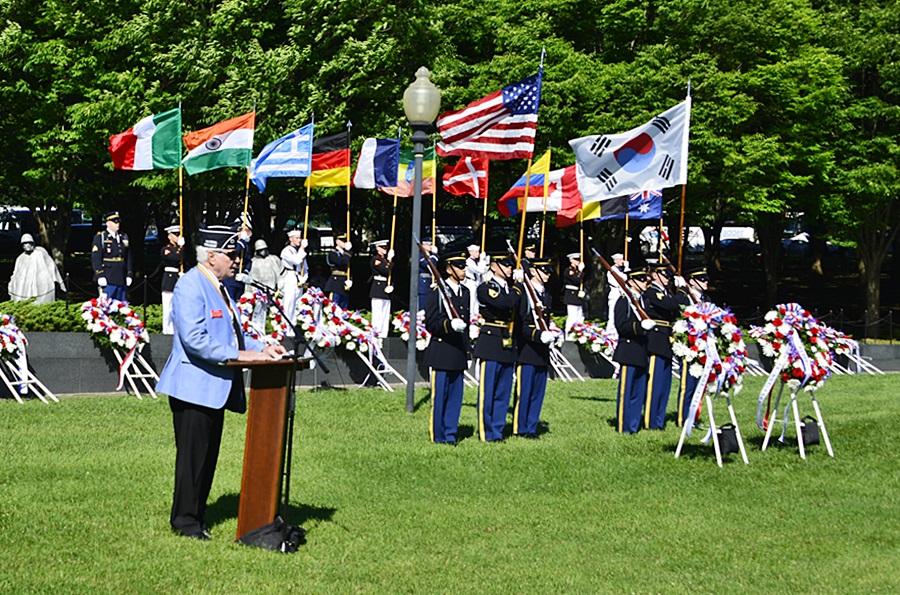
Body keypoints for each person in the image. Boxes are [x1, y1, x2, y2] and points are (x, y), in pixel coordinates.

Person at [156, 225, 287, 541]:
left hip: (214, 388)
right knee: (192, 460)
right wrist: (242, 355)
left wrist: (262, 350)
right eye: (231, 254)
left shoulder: (221, 287)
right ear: (211, 255)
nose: (236, 260)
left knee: (206, 458)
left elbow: (235, 333)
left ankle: (197, 517)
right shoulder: (190, 285)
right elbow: (195, 340)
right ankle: (185, 523)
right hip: (193, 387)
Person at [474, 254, 523, 442]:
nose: (510, 268)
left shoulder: (510, 289)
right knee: (488, 391)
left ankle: (498, 430)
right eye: (505, 265)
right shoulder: (486, 288)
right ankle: (486, 432)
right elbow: (506, 303)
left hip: (508, 343)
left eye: (511, 265)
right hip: (491, 341)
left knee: (503, 392)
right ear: (494, 266)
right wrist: (518, 286)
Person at [423, 252, 470, 444]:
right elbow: (431, 322)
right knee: (440, 396)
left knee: (455, 398)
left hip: (458, 350)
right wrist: (449, 325)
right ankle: (439, 435)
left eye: (464, 266)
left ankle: (451, 433)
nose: (463, 270)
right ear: (449, 269)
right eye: (460, 266)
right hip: (442, 351)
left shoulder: (465, 291)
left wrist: (467, 350)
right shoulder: (437, 291)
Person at [512, 259, 555, 439]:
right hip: (527, 349)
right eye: (544, 271)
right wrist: (538, 335)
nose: (548, 274)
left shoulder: (546, 295)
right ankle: (520, 427)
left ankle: (531, 426)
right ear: (533, 271)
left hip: (541, 351)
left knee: (538, 391)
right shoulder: (524, 292)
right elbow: (521, 323)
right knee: (525, 391)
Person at [641, 260, 682, 430]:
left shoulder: (666, 292)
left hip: (666, 340)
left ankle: (659, 419)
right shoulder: (652, 291)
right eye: (666, 276)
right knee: (655, 384)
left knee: (664, 384)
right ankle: (651, 421)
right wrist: (683, 292)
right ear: (655, 275)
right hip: (656, 340)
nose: (668, 279)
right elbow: (671, 305)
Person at [613, 269, 654, 434]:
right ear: (632, 281)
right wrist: (639, 327)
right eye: (642, 279)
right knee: (626, 391)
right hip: (629, 350)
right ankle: (624, 426)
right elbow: (621, 325)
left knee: (638, 392)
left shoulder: (643, 300)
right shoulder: (624, 300)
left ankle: (634, 425)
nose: (646, 282)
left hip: (641, 350)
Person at [674, 267, 710, 427]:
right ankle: (683, 419)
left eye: (705, 279)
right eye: (702, 279)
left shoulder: (705, 298)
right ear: (692, 282)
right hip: (688, 347)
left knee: (699, 385)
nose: (706, 282)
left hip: (703, 346)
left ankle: (694, 417)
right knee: (687, 386)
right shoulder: (684, 298)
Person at [7, 233, 65, 304]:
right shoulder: (20, 258)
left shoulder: (40, 253)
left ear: (33, 243)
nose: (27, 245)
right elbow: (16, 273)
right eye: (25, 243)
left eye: (29, 243)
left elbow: (51, 266)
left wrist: (59, 281)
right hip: (24, 285)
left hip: (39, 283)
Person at [91, 211, 132, 302]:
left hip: (121, 277)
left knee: (121, 306)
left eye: (118, 222)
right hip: (108, 276)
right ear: (108, 223)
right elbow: (96, 258)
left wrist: (129, 273)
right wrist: (100, 274)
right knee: (106, 306)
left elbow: (128, 257)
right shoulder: (101, 237)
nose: (118, 224)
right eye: (115, 222)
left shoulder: (123, 237)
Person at [249, 238, 284, 332]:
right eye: (261, 250)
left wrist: (279, 288)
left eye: (264, 249)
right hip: (260, 292)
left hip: (273, 290)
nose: (263, 252)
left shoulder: (273, 259)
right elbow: (251, 280)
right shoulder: (253, 262)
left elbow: (281, 274)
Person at [160, 226, 185, 335]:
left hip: (179, 279)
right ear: (169, 236)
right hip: (169, 280)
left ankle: (176, 330)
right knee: (168, 309)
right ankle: (167, 331)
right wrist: (181, 247)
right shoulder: (166, 249)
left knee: (178, 308)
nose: (178, 236)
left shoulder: (180, 248)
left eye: (179, 234)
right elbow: (175, 258)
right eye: (175, 234)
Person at [279, 230, 308, 326]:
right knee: (289, 304)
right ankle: (286, 327)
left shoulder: (300, 251)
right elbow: (296, 260)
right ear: (291, 239)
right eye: (297, 238)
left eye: (300, 238)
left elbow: (305, 267)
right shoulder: (286, 251)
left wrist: (304, 277)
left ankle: (294, 326)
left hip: (299, 278)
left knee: (297, 304)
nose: (299, 240)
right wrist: (302, 248)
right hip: (290, 277)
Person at [368, 240, 394, 339]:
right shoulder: (376, 260)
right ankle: (376, 334)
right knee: (378, 314)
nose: (385, 250)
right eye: (383, 248)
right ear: (377, 248)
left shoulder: (384, 260)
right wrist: (390, 260)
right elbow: (385, 270)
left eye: (386, 248)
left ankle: (384, 334)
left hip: (386, 288)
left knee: (385, 314)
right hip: (378, 289)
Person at [324, 233, 352, 310]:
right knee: (334, 307)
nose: (345, 243)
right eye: (343, 241)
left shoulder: (346, 254)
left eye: (345, 241)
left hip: (345, 282)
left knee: (344, 307)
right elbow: (342, 262)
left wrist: (350, 279)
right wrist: (348, 252)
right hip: (335, 283)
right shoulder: (333, 253)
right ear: (337, 242)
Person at [605, 253, 628, 342]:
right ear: (615, 261)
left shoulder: (620, 270)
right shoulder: (612, 270)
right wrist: (626, 270)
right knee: (612, 316)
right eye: (620, 259)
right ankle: (610, 335)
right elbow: (623, 278)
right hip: (615, 294)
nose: (622, 261)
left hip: (621, 294)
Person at [563, 252, 585, 337]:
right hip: (571, 295)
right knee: (572, 317)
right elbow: (576, 280)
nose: (578, 261)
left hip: (577, 295)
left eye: (578, 259)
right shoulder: (569, 271)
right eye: (576, 259)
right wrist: (581, 271)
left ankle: (578, 334)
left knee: (579, 317)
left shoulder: (576, 271)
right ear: (571, 260)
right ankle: (568, 334)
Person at [464, 244, 488, 318]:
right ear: (471, 252)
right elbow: (480, 270)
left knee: (476, 302)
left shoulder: (475, 262)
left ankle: (476, 317)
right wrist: (482, 260)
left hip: (476, 283)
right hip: (469, 282)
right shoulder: (468, 262)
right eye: (476, 252)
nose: (478, 253)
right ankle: (471, 317)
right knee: (472, 301)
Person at [417, 238, 439, 311]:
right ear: (422, 245)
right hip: (423, 282)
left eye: (431, 244)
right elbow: (428, 265)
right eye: (428, 244)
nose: (430, 246)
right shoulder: (420, 255)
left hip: (431, 280)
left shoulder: (431, 256)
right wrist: (435, 255)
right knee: (422, 305)